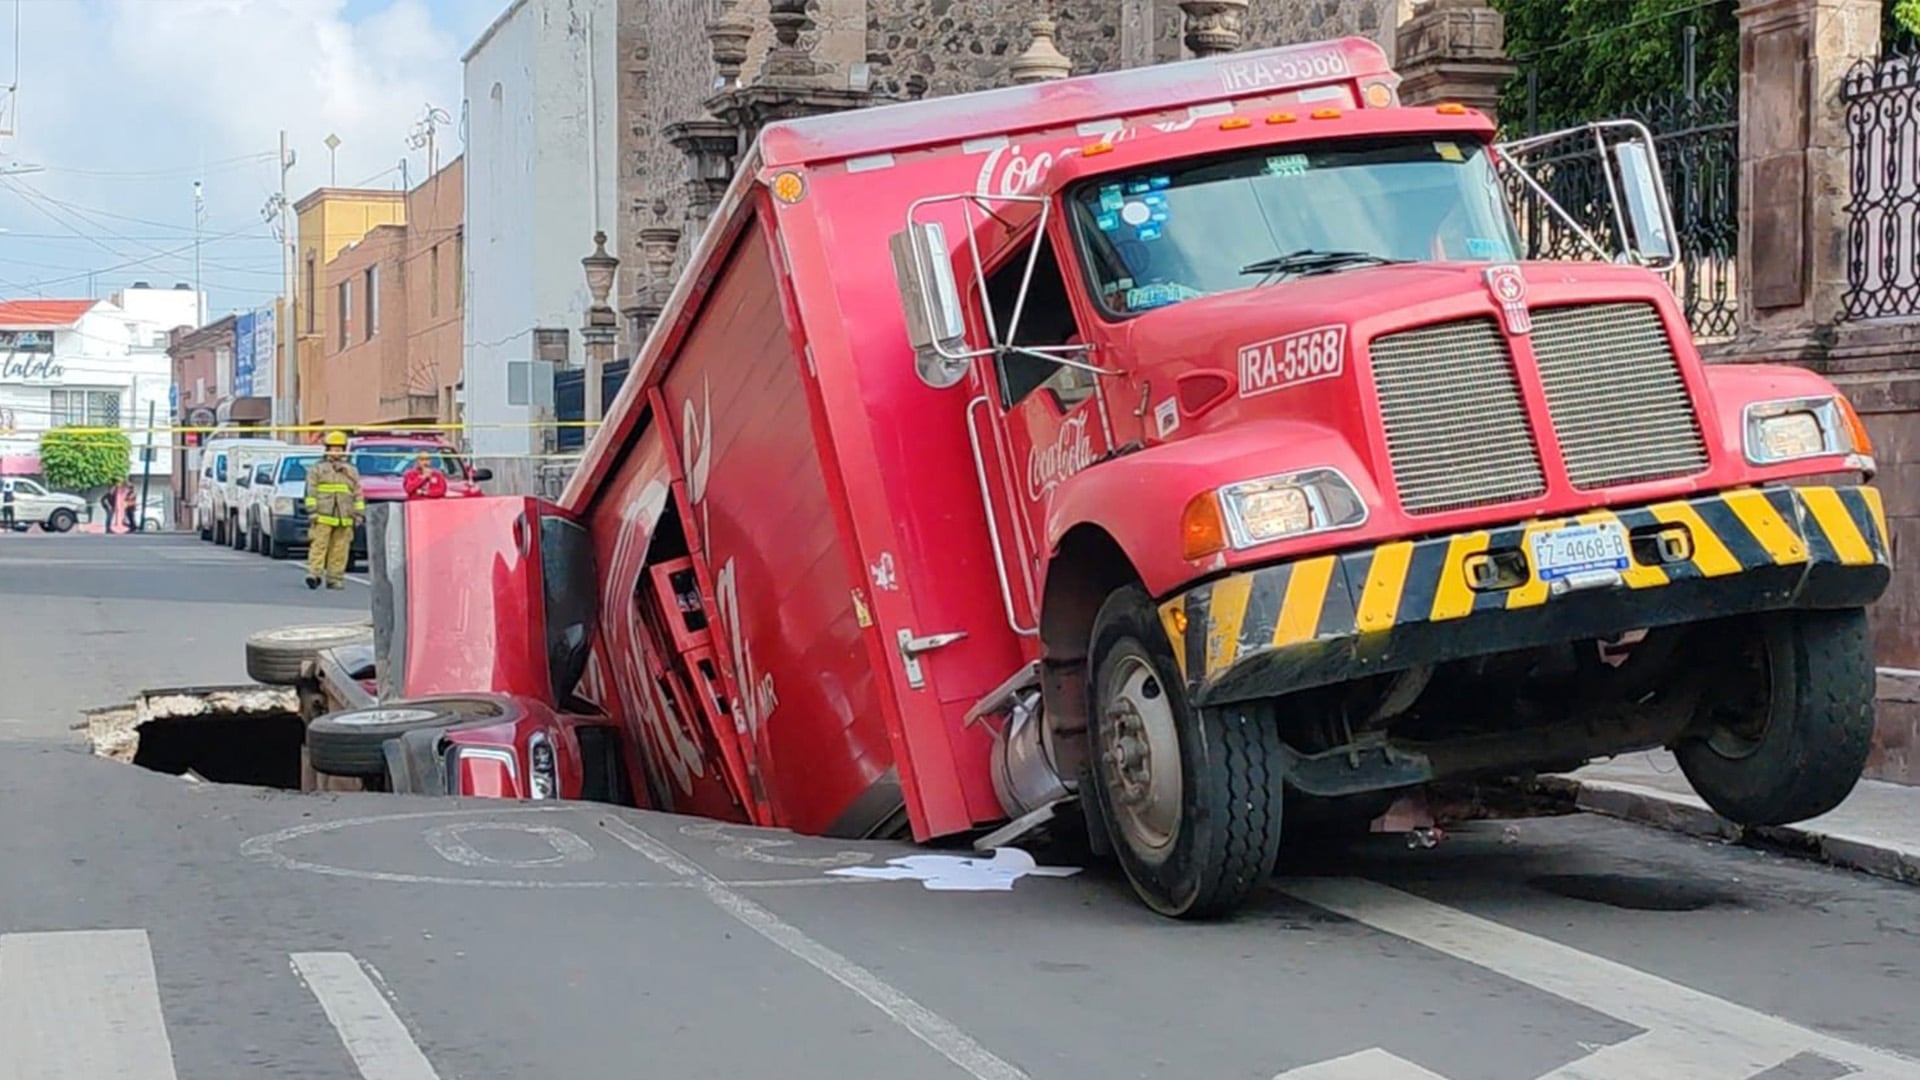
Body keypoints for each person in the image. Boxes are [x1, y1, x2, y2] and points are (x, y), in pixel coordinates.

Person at [303, 431, 364, 590]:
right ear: (327, 449)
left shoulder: (351, 471)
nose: (336, 452)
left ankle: (335, 579)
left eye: (339, 449)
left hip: (345, 516)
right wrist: (312, 511)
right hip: (323, 515)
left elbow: (357, 493)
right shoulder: (317, 469)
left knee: (340, 550)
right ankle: (314, 574)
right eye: (333, 448)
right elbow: (311, 491)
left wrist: (359, 514)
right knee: (319, 546)